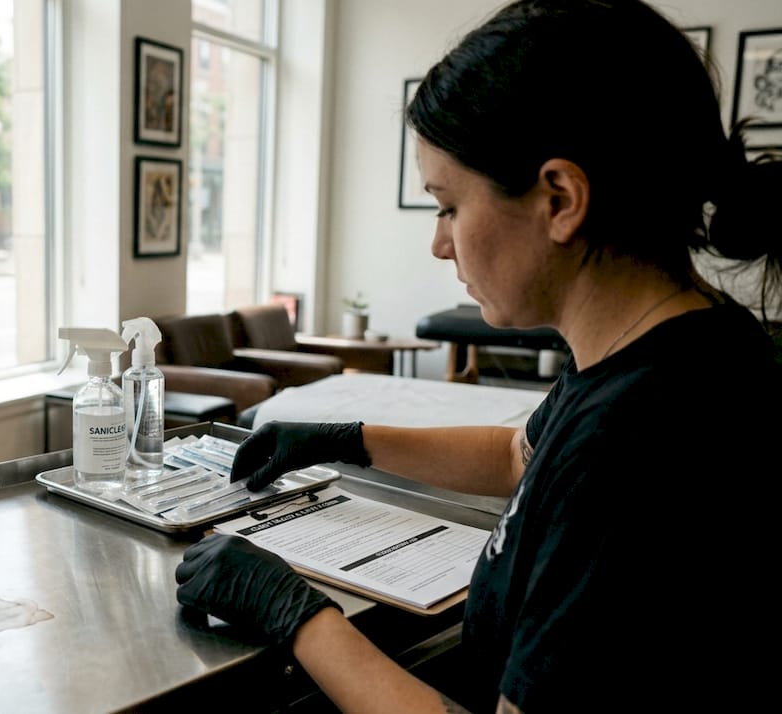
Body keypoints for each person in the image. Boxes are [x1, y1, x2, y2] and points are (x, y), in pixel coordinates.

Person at [174, 1, 781, 712]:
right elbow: (520, 457)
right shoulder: (680, 342)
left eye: (448, 205)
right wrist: (347, 441)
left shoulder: (642, 439)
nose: (440, 243)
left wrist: (296, 615)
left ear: (559, 199)